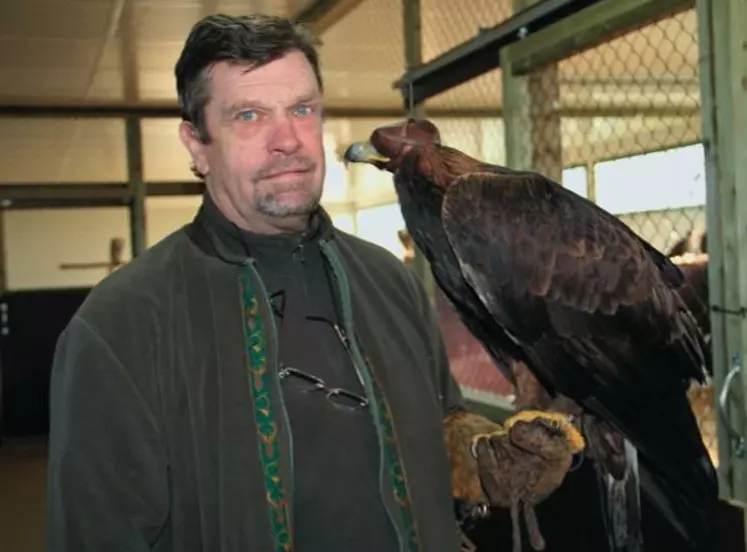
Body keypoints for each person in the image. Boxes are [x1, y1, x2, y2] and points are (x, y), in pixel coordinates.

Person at [45, 13, 518, 552]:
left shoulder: (391, 280)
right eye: (249, 115)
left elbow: (442, 420)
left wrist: (476, 454)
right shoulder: (121, 325)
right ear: (197, 144)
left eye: (302, 109)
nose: (288, 139)